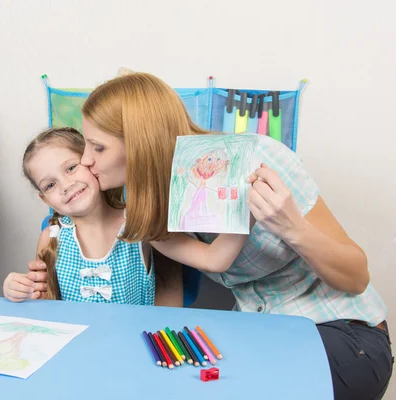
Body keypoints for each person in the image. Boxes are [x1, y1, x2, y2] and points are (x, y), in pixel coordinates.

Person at [28, 72, 392, 399]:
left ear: (138, 142)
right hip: (263, 331)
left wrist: (291, 227)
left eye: (98, 147)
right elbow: (217, 259)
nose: (87, 160)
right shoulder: (148, 210)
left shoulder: (256, 158)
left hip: (341, 332)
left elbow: (357, 278)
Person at [4, 126, 250, 306]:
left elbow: (174, 291)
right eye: (50, 185)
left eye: (71, 168)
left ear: (91, 162)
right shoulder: (50, 238)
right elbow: (44, 304)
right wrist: (17, 289)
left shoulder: (140, 224)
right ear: (45, 200)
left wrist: (247, 208)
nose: (65, 185)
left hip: (133, 349)